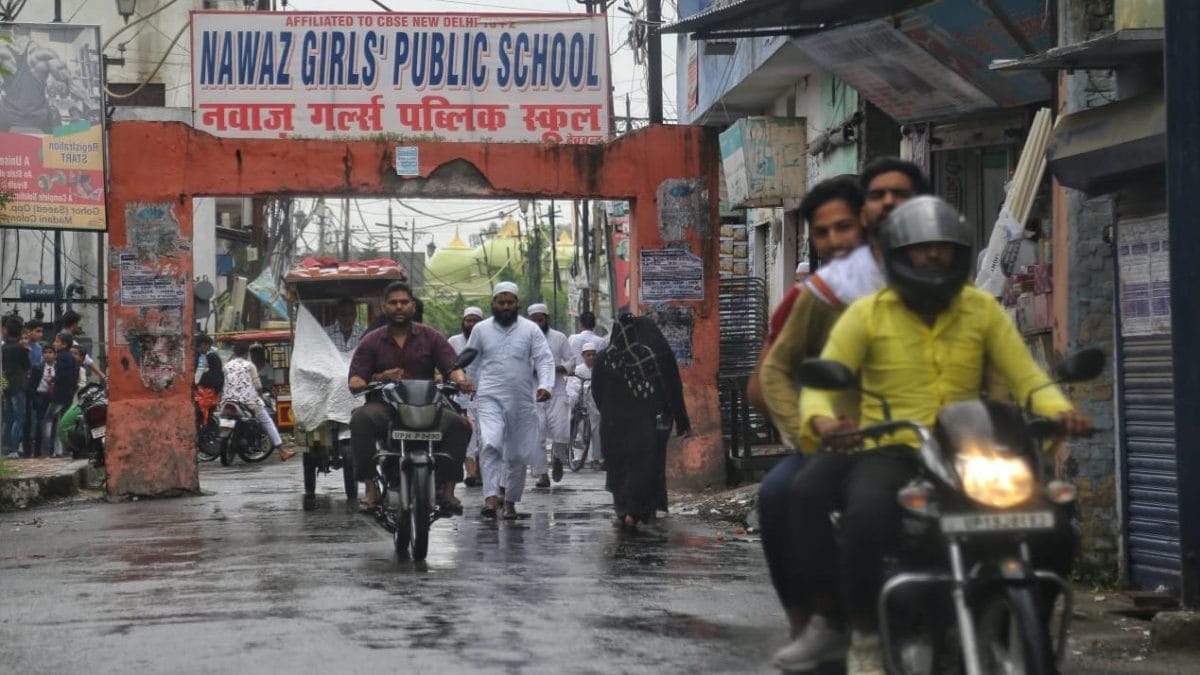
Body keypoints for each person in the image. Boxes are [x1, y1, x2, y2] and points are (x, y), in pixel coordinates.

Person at [794, 196, 1091, 675]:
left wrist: (1061, 411)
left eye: (944, 250)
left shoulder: (980, 310)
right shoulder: (867, 314)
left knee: (1054, 523)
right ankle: (867, 633)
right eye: (921, 249)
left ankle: (1025, 621)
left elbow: (1028, 378)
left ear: (961, 253)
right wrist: (824, 421)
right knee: (866, 518)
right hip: (892, 448)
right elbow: (820, 384)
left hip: (969, 449)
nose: (933, 257)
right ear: (896, 254)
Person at [758, 165, 928, 671]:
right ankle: (817, 619)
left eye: (844, 228)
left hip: (935, 434)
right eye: (823, 233)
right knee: (782, 494)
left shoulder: (938, 264)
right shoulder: (821, 294)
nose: (835, 242)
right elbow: (771, 375)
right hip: (849, 440)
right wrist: (812, 430)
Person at [348, 281, 472, 514]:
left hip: (426, 406)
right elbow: (356, 378)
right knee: (360, 420)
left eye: (404, 302)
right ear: (385, 307)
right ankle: (370, 487)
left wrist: (460, 380)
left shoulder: (431, 337)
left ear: (412, 307)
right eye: (393, 303)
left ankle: (448, 491)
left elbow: (451, 366)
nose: (399, 307)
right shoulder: (371, 341)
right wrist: (376, 378)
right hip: (385, 407)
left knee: (459, 424)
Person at [463, 282, 555, 520]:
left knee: (516, 455)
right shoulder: (481, 330)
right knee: (491, 443)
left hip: (522, 400)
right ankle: (490, 499)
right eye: (501, 303)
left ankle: (511, 501)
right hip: (489, 397)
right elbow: (471, 363)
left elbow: (544, 359)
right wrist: (467, 387)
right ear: (493, 304)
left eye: (510, 303)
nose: (505, 307)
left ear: (517, 304)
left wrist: (545, 385)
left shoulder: (530, 330)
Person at [591, 313, 689, 528]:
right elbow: (664, 388)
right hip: (643, 423)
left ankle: (623, 511)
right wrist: (672, 416)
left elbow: (596, 392)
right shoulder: (648, 356)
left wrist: (608, 411)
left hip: (611, 424)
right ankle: (639, 510)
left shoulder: (603, 358)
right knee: (642, 466)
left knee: (618, 466)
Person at [528, 302, 576, 486]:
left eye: (540, 320)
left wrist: (560, 367)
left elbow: (571, 359)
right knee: (537, 434)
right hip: (534, 393)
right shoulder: (525, 340)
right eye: (534, 321)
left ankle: (557, 457)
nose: (538, 324)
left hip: (557, 391)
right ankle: (542, 475)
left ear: (546, 319)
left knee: (561, 432)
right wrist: (532, 369)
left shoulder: (559, 337)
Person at [223, 341, 295, 462]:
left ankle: (222, 437)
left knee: (224, 416)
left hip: (228, 399)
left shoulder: (226, 366)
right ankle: (282, 451)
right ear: (247, 353)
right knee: (267, 422)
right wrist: (261, 397)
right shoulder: (250, 365)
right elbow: (257, 385)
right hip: (249, 401)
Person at [448, 306, 484, 487]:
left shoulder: (487, 341)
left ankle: (482, 472)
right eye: (468, 320)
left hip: (485, 394)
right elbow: (448, 366)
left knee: (484, 436)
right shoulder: (454, 341)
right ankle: (470, 473)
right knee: (468, 434)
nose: (471, 324)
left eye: (475, 321)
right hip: (461, 396)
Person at [566, 341, 603, 470]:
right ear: (583, 355)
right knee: (580, 430)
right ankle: (577, 458)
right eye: (588, 355)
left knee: (596, 433)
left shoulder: (600, 369)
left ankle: (595, 459)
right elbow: (572, 385)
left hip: (595, 406)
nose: (591, 357)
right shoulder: (578, 370)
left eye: (593, 355)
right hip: (581, 404)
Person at [42, 331, 79, 457]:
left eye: (57, 341)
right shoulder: (73, 358)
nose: (54, 343)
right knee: (64, 422)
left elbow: (62, 376)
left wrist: (52, 379)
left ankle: (46, 449)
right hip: (68, 394)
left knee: (48, 420)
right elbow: (74, 378)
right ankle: (64, 449)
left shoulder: (62, 357)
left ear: (64, 344)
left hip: (59, 395)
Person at [2, 316, 30, 458]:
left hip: (5, 385)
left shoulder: (3, 348)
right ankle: (13, 448)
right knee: (19, 417)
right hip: (18, 386)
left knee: (7, 418)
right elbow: (27, 366)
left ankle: (5, 448)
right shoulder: (21, 349)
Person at [59, 309, 106, 381]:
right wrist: (103, 376)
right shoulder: (69, 341)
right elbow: (88, 361)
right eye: (77, 323)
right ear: (75, 324)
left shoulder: (60, 336)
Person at [22, 319, 44, 456]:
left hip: (36, 386)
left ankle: (33, 443)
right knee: (24, 416)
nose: (40, 334)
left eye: (42, 331)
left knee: (34, 416)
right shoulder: (24, 346)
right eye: (37, 331)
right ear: (29, 332)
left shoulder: (40, 348)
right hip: (24, 385)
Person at [193, 335, 224, 427]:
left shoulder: (193, 355)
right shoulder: (198, 357)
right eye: (208, 347)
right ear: (203, 345)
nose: (208, 350)